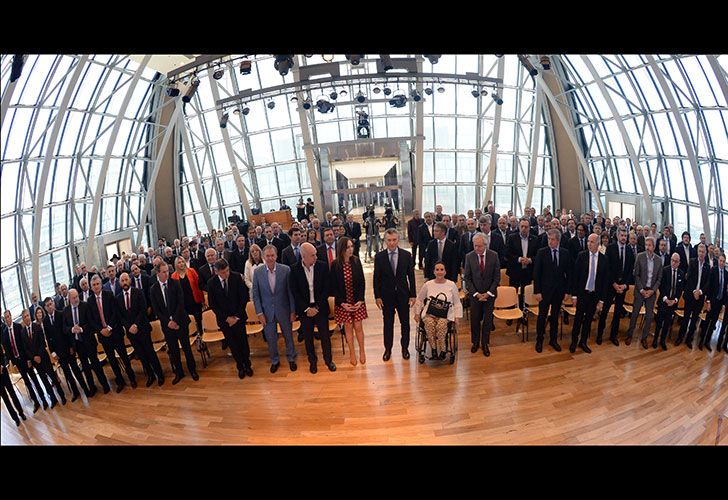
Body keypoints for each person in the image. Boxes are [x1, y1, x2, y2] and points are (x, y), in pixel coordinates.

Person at [290, 242, 336, 373]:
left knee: (325, 337)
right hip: (305, 311)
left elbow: (326, 289)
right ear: (303, 256)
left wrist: (316, 307)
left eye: (315, 254)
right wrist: (307, 309)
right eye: (312, 255)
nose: (316, 257)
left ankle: (328, 360)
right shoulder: (294, 270)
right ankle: (313, 361)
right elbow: (295, 292)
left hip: (320, 308)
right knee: (308, 338)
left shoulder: (322, 266)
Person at [149, 262, 199, 384]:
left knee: (186, 348)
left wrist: (175, 320)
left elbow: (181, 303)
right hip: (167, 326)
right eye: (164, 272)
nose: (167, 274)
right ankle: (179, 372)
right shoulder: (153, 289)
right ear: (158, 273)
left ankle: (192, 370)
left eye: (168, 271)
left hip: (180, 322)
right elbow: (156, 310)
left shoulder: (175, 283)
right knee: (174, 350)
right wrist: (168, 322)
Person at [252, 245, 298, 373]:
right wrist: (259, 313)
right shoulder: (257, 272)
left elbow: (290, 293)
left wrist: (293, 311)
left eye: (272, 255)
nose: (270, 258)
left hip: (284, 310)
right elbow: (255, 294)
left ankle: (291, 357)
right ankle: (274, 360)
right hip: (266, 312)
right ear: (263, 257)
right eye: (267, 256)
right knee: (271, 338)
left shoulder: (286, 270)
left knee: (288, 335)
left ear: (276, 256)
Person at [88, 275, 136, 392]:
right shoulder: (89, 301)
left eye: (98, 284)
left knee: (124, 356)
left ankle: (132, 378)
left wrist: (109, 328)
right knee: (112, 360)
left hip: (115, 332)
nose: (96, 286)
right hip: (103, 336)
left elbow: (116, 313)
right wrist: (101, 330)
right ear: (91, 287)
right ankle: (120, 381)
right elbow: (91, 320)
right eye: (93, 285)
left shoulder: (109, 295)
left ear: (101, 284)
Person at [208, 259, 254, 379]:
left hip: (238, 318)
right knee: (233, 344)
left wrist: (236, 317)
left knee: (243, 342)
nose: (226, 274)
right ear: (216, 272)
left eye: (227, 270)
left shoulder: (237, 277)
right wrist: (227, 318)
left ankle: (247, 364)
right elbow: (213, 304)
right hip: (225, 321)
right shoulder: (211, 283)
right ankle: (240, 366)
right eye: (223, 272)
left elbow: (243, 298)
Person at [117, 272, 165, 387]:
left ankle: (160, 375)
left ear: (130, 280)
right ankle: (150, 375)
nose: (124, 282)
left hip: (142, 328)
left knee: (150, 352)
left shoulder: (138, 292)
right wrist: (129, 327)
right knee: (141, 355)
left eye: (126, 280)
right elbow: (120, 316)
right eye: (122, 281)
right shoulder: (118, 298)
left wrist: (136, 325)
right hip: (131, 332)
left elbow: (143, 310)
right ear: (120, 283)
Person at [63, 289, 111, 396]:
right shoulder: (65, 311)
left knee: (95, 364)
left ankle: (105, 385)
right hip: (78, 344)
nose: (76, 299)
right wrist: (72, 329)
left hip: (88, 341)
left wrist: (81, 329)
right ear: (69, 299)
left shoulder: (85, 306)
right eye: (74, 298)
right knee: (85, 367)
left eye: (77, 297)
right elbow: (64, 328)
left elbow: (92, 323)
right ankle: (92, 388)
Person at [42, 297, 90, 400]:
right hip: (58, 353)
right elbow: (48, 338)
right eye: (47, 305)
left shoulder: (61, 314)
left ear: (53, 304)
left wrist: (72, 346)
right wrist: (53, 352)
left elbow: (68, 332)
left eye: (51, 304)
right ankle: (75, 392)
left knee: (76, 370)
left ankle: (85, 389)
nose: (50, 307)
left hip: (68, 348)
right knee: (67, 374)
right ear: (45, 308)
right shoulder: (45, 321)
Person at [414, 262, 463, 359]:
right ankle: (434, 349)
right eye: (437, 270)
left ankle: (443, 350)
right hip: (430, 313)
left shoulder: (451, 285)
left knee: (441, 326)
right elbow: (419, 299)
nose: (439, 272)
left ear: (445, 271)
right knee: (429, 324)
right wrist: (417, 313)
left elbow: (457, 302)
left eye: (442, 270)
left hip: (446, 314)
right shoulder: (428, 284)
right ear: (434, 272)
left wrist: (457, 317)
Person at [569, 233, 608, 354]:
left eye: (591, 242)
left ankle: (583, 342)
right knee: (578, 319)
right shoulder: (582, 256)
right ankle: (574, 341)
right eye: (588, 242)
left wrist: (601, 300)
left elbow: (604, 282)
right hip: (582, 293)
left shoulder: (603, 259)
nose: (588, 244)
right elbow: (575, 277)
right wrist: (574, 296)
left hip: (594, 295)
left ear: (597, 244)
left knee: (588, 320)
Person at [532, 229, 571, 353]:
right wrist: (537, 291)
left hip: (558, 291)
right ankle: (539, 339)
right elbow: (536, 273)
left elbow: (569, 274)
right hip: (544, 291)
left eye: (552, 239)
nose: (550, 241)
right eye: (548, 239)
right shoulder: (541, 252)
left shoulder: (565, 253)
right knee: (542, 316)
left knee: (555, 316)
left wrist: (567, 291)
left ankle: (553, 340)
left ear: (558, 240)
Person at [333, 237, 369, 365]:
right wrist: (342, 303)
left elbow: (361, 282)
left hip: (356, 300)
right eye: (347, 247)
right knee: (348, 328)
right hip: (344, 302)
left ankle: (362, 351)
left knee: (358, 326)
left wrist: (360, 300)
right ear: (341, 249)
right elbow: (334, 287)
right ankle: (352, 353)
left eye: (351, 246)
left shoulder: (356, 261)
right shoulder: (335, 264)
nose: (350, 249)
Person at [463, 233, 500, 357]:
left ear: (485, 245)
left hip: (489, 295)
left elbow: (497, 278)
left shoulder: (494, 255)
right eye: (475, 246)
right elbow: (467, 278)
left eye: (479, 246)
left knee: (487, 321)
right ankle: (475, 342)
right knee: (475, 320)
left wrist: (488, 293)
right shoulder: (469, 256)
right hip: (475, 296)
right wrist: (477, 294)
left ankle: (485, 343)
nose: (476, 248)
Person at [597, 228, 635, 346]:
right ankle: (599, 335)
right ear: (618, 236)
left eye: (625, 236)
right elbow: (607, 269)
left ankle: (613, 336)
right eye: (622, 235)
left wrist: (625, 285)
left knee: (618, 312)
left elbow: (630, 271)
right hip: (610, 286)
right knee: (605, 312)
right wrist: (614, 283)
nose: (624, 238)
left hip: (622, 288)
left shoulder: (629, 250)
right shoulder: (611, 248)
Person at [625, 236, 662, 348]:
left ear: (654, 247)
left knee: (649, 316)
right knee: (635, 314)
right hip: (640, 291)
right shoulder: (639, 257)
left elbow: (659, 279)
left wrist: (652, 291)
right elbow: (636, 275)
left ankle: (644, 338)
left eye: (649, 245)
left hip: (651, 292)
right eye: (646, 245)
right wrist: (641, 289)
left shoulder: (659, 260)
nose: (647, 247)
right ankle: (630, 335)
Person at [26, 307, 67, 406]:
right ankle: (53, 399)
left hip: (43, 357)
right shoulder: (23, 332)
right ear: (23, 319)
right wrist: (34, 357)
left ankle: (62, 396)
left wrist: (39, 355)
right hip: (35, 361)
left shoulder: (37, 326)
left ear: (29, 316)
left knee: (53, 377)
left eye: (27, 315)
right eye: (24, 317)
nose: (26, 318)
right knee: (44, 381)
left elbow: (43, 343)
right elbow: (26, 348)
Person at [675, 244, 710, 349]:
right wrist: (694, 291)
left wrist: (700, 292)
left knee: (694, 319)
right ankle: (680, 337)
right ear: (697, 252)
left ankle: (689, 339)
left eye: (703, 252)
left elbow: (707, 282)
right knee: (686, 318)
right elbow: (689, 279)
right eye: (699, 251)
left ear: (706, 253)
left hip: (700, 297)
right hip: (690, 295)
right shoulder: (692, 262)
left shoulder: (708, 266)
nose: (701, 253)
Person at [653, 253, 685, 350]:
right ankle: (655, 340)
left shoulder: (681, 273)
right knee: (659, 322)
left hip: (673, 303)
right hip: (663, 301)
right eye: (672, 260)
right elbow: (661, 286)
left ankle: (663, 341)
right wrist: (666, 299)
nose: (674, 263)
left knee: (667, 323)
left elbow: (680, 289)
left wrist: (675, 300)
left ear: (679, 263)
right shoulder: (665, 270)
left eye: (676, 261)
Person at [506, 218, 539, 310]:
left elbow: (537, 255)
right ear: (519, 227)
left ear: (529, 228)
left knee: (525, 292)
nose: (524, 228)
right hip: (515, 270)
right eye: (522, 226)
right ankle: (511, 310)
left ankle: (523, 311)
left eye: (526, 227)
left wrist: (530, 260)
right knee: (513, 291)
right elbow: (507, 254)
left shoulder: (535, 239)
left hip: (528, 270)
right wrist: (519, 259)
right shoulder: (512, 237)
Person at [171, 256, 205, 340]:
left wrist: (202, 300)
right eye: (179, 262)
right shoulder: (173, 276)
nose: (181, 264)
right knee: (188, 322)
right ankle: (193, 338)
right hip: (183, 304)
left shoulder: (191, 271)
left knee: (198, 320)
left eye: (182, 261)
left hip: (195, 301)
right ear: (176, 264)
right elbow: (174, 293)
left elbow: (198, 286)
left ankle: (201, 337)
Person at [699, 253, 726, 351]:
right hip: (712, 302)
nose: (722, 263)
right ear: (718, 261)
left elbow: (724, 290)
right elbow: (709, 287)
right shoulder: (713, 270)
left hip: (719, 303)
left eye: (723, 261)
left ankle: (707, 341)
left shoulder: (726, 273)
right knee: (706, 322)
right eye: (720, 261)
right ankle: (701, 341)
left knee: (713, 323)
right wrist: (708, 301)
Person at [1, 347, 27, 426]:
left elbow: (3, 356)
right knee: (5, 399)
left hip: (4, 373)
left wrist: (2, 365)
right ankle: (15, 418)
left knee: (12, 394)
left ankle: (21, 412)